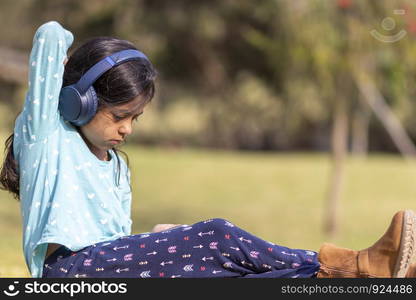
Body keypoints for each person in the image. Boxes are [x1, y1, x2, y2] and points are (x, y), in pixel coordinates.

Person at [0, 21, 415, 279]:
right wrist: (80, 80)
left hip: (109, 268)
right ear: (80, 102)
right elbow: (50, 36)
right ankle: (355, 264)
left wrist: (158, 240)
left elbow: (116, 246)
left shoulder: (115, 168)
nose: (127, 129)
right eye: (119, 116)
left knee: (236, 274)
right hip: (69, 274)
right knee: (217, 235)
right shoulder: (47, 138)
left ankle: (349, 280)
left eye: (136, 118)